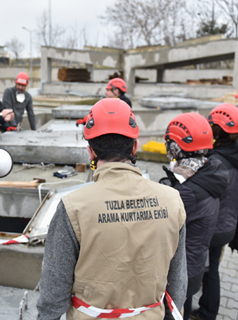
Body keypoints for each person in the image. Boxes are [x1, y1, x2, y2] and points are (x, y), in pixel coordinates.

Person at [37, 98, 187, 320]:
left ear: (90, 152)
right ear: (134, 146)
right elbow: (177, 285)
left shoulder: (73, 207)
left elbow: (53, 292)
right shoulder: (172, 200)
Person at [191, 104, 238, 320]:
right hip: (229, 223)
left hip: (212, 226)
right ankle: (208, 309)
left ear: (217, 130)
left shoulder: (216, 161)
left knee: (202, 270)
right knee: (212, 269)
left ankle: (206, 313)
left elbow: (202, 194)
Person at [161, 113, 229, 320]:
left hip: (181, 271)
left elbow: (158, 227)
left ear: (176, 148)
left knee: (174, 313)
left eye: (169, 143)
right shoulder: (208, 172)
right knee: (185, 308)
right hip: (195, 263)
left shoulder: (187, 192)